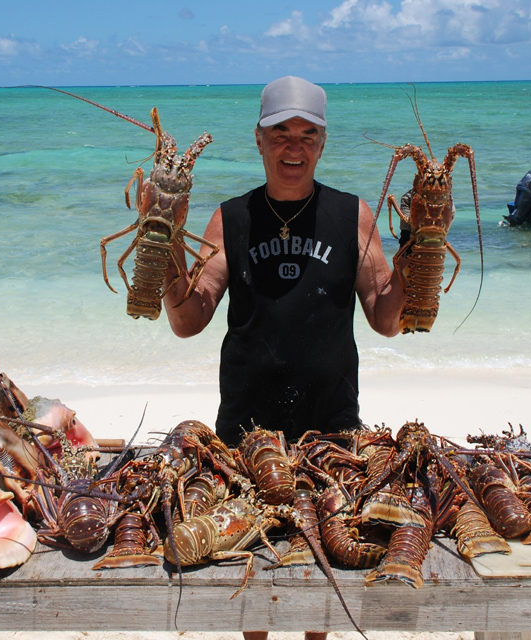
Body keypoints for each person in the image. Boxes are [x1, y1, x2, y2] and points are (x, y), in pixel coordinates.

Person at [161, 73, 408, 640]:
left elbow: (387, 318)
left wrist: (420, 248)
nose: (294, 147)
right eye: (280, 134)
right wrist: (167, 241)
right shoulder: (232, 218)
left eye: (307, 135)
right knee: (253, 576)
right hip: (245, 433)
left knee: (322, 575)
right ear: (259, 139)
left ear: (322, 142)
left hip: (332, 433)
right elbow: (188, 319)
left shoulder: (353, 216)